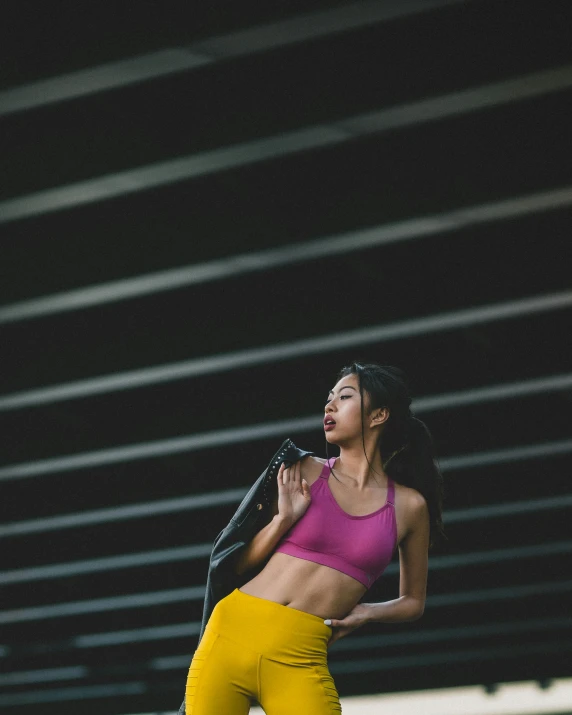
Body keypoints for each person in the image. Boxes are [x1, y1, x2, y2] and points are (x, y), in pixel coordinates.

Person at [184, 362, 444, 714]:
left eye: (345, 396)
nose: (329, 406)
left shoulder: (409, 507)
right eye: (329, 398)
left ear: (379, 415)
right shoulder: (300, 469)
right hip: (230, 634)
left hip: (301, 656)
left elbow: (413, 601)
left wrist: (366, 612)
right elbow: (236, 561)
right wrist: (283, 519)